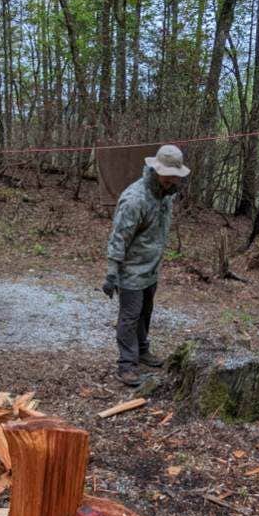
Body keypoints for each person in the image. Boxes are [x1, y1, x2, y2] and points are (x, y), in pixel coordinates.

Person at [103, 144, 190, 386]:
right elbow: (119, 237)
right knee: (130, 317)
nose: (173, 180)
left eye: (175, 175)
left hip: (151, 269)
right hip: (130, 271)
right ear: (156, 170)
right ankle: (126, 365)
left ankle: (142, 350)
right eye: (168, 175)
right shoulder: (135, 199)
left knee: (145, 313)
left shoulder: (166, 194)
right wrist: (112, 273)